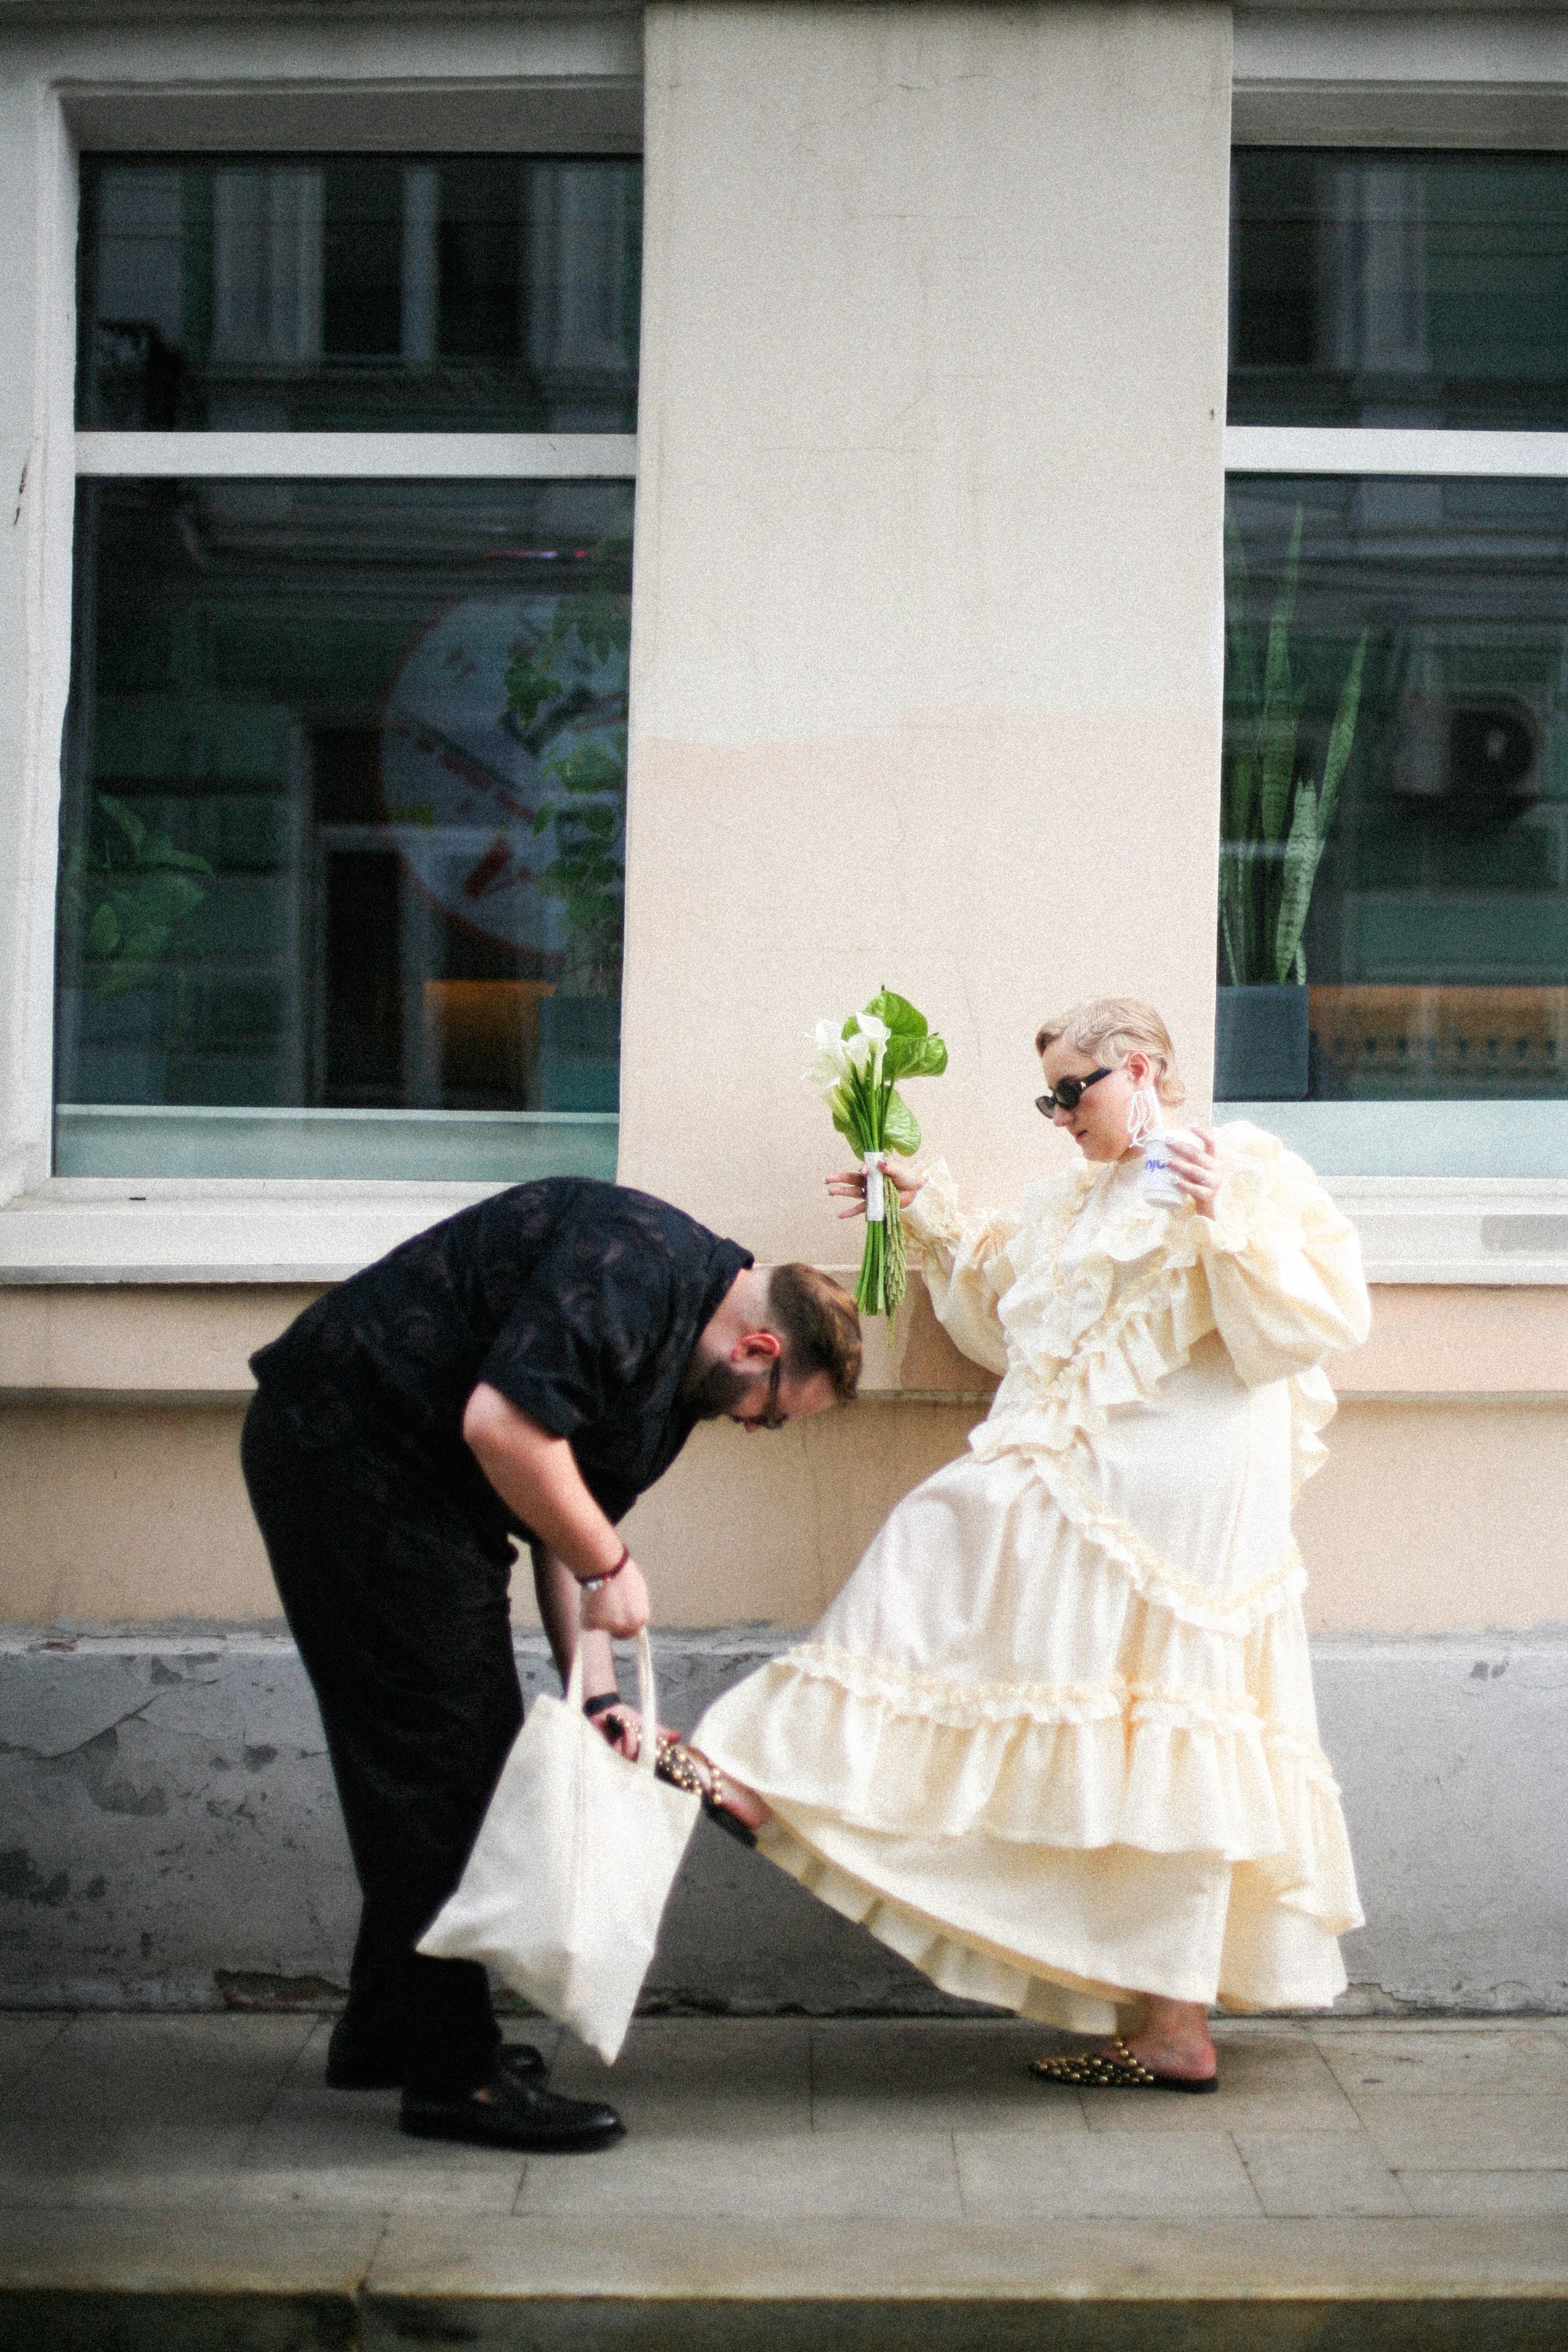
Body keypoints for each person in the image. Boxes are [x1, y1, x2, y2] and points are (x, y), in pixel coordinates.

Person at [681, 997, 1369, 2091]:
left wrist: (1230, 1215)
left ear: (1139, 1068)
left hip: (1181, 1477)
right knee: (1150, 1720)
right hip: (1092, 1453)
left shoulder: (1241, 1161)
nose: (1057, 1114)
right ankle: (1172, 2025)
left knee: (974, 1549)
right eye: (1045, 1097)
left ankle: (770, 1767)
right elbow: (1005, 1315)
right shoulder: (1071, 1203)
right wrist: (922, 1210)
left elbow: (1318, 1321)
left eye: (1070, 1091)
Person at [240, 1177, 860, 2152]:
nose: (755, 1429)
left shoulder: (683, 1376)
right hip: (350, 1457)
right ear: (759, 1350)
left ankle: (388, 2031)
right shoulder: (637, 1263)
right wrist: (612, 1567)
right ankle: (454, 2081)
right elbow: (505, 1429)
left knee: (458, 1760)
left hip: (429, 1497)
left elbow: (565, 1514)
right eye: (772, 1414)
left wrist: (602, 1699)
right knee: (441, 1767)